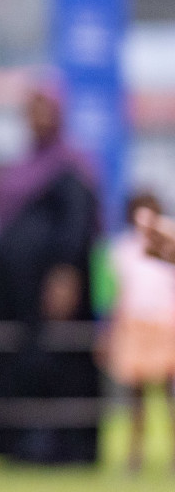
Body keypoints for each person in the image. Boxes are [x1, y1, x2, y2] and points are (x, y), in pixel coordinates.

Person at [0, 88, 100, 464]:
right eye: (33, 110)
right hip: (14, 292)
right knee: (15, 360)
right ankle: (17, 446)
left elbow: (78, 226)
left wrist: (65, 274)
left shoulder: (73, 164)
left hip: (53, 288)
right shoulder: (16, 167)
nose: (40, 117)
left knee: (58, 360)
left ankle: (63, 449)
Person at [105, 191, 175, 472]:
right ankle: (135, 456)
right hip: (136, 325)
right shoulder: (122, 249)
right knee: (136, 400)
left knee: (170, 396)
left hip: (166, 323)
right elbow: (119, 295)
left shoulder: (168, 242)